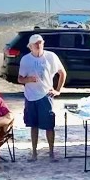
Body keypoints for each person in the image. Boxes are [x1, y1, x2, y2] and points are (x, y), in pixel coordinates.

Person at [18, 34, 66, 162]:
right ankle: (34, 153)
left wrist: (58, 90)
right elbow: (20, 79)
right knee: (33, 125)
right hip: (30, 96)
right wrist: (28, 79)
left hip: (45, 95)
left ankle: (51, 152)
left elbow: (62, 73)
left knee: (49, 125)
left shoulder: (51, 56)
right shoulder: (25, 60)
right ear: (30, 46)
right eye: (35, 43)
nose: (38, 45)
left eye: (40, 42)